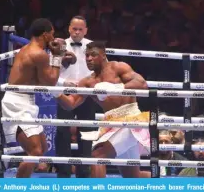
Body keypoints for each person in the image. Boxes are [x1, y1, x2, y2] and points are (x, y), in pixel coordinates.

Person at [54, 41, 150, 178]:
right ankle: (165, 186)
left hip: (131, 121)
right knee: (133, 177)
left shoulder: (118, 67)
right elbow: (70, 103)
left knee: (97, 157)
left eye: (93, 55)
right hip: (111, 124)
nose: (89, 59)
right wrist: (56, 92)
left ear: (103, 55)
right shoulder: (87, 82)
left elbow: (142, 84)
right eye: (86, 56)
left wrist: (117, 88)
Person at [1, 18, 76, 178]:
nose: (54, 38)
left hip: (25, 100)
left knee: (42, 148)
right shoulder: (38, 54)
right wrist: (57, 56)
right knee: (35, 152)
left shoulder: (30, 49)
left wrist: (59, 60)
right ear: (45, 34)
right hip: (17, 103)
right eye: (52, 34)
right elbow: (50, 81)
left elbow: (40, 78)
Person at [55, 15, 102, 178]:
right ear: (69, 28)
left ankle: (84, 172)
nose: (76, 32)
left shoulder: (93, 47)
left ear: (86, 30)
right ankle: (63, 172)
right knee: (62, 131)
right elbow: (50, 72)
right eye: (74, 29)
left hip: (86, 93)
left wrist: (90, 84)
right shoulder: (58, 46)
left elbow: (102, 69)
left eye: (80, 29)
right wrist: (63, 82)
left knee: (87, 132)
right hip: (64, 92)